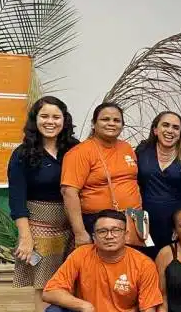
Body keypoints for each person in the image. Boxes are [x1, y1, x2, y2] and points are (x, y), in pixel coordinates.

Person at [8, 96, 80, 312]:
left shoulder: (74, 149)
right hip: (38, 227)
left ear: (64, 120)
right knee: (45, 285)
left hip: (73, 224)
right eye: (45, 116)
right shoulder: (23, 154)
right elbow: (16, 199)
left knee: (73, 281)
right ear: (35, 120)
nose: (50, 122)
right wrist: (25, 237)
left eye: (56, 117)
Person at [61, 102, 144, 246]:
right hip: (100, 223)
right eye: (105, 119)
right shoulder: (79, 152)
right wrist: (80, 232)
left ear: (122, 125)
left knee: (135, 260)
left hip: (135, 218)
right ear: (93, 124)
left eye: (116, 120)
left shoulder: (126, 147)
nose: (111, 123)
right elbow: (69, 192)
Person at [135, 111, 181, 259]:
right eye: (165, 125)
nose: (170, 130)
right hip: (144, 221)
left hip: (176, 223)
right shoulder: (142, 151)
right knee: (145, 262)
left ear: (180, 134)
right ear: (155, 130)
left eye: (176, 127)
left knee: (172, 262)